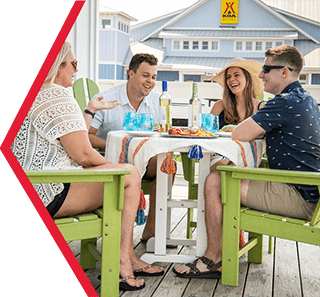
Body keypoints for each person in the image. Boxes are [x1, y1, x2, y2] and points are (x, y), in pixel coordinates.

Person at [11, 42, 163, 291]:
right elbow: (83, 153)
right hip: (44, 191)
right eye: (72, 63)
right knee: (130, 175)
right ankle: (123, 264)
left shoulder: (36, 93)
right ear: (56, 66)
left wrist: (90, 110)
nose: (76, 69)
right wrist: (120, 169)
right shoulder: (55, 93)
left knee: (126, 174)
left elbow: (73, 136)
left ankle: (130, 257)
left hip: (30, 182)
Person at [172, 45, 320, 279]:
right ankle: (219, 252)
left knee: (214, 181)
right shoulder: (306, 99)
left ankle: (213, 258)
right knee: (218, 176)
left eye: (266, 69)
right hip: (308, 188)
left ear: (284, 72)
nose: (261, 75)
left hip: (300, 196)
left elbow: (238, 134)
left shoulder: (283, 102)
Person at [88, 53, 173, 245]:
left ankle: (151, 230)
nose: (150, 81)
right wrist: (118, 144)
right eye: (145, 75)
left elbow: (161, 132)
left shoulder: (157, 102)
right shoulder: (105, 99)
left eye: (153, 77)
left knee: (167, 164)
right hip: (110, 161)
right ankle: (119, 238)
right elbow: (87, 136)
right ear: (131, 74)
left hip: (143, 158)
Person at [209, 58, 265, 170]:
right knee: (224, 168)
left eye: (236, 75)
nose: (231, 79)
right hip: (219, 157)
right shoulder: (219, 107)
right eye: (228, 77)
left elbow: (266, 142)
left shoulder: (262, 108)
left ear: (247, 79)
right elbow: (207, 134)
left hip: (248, 158)